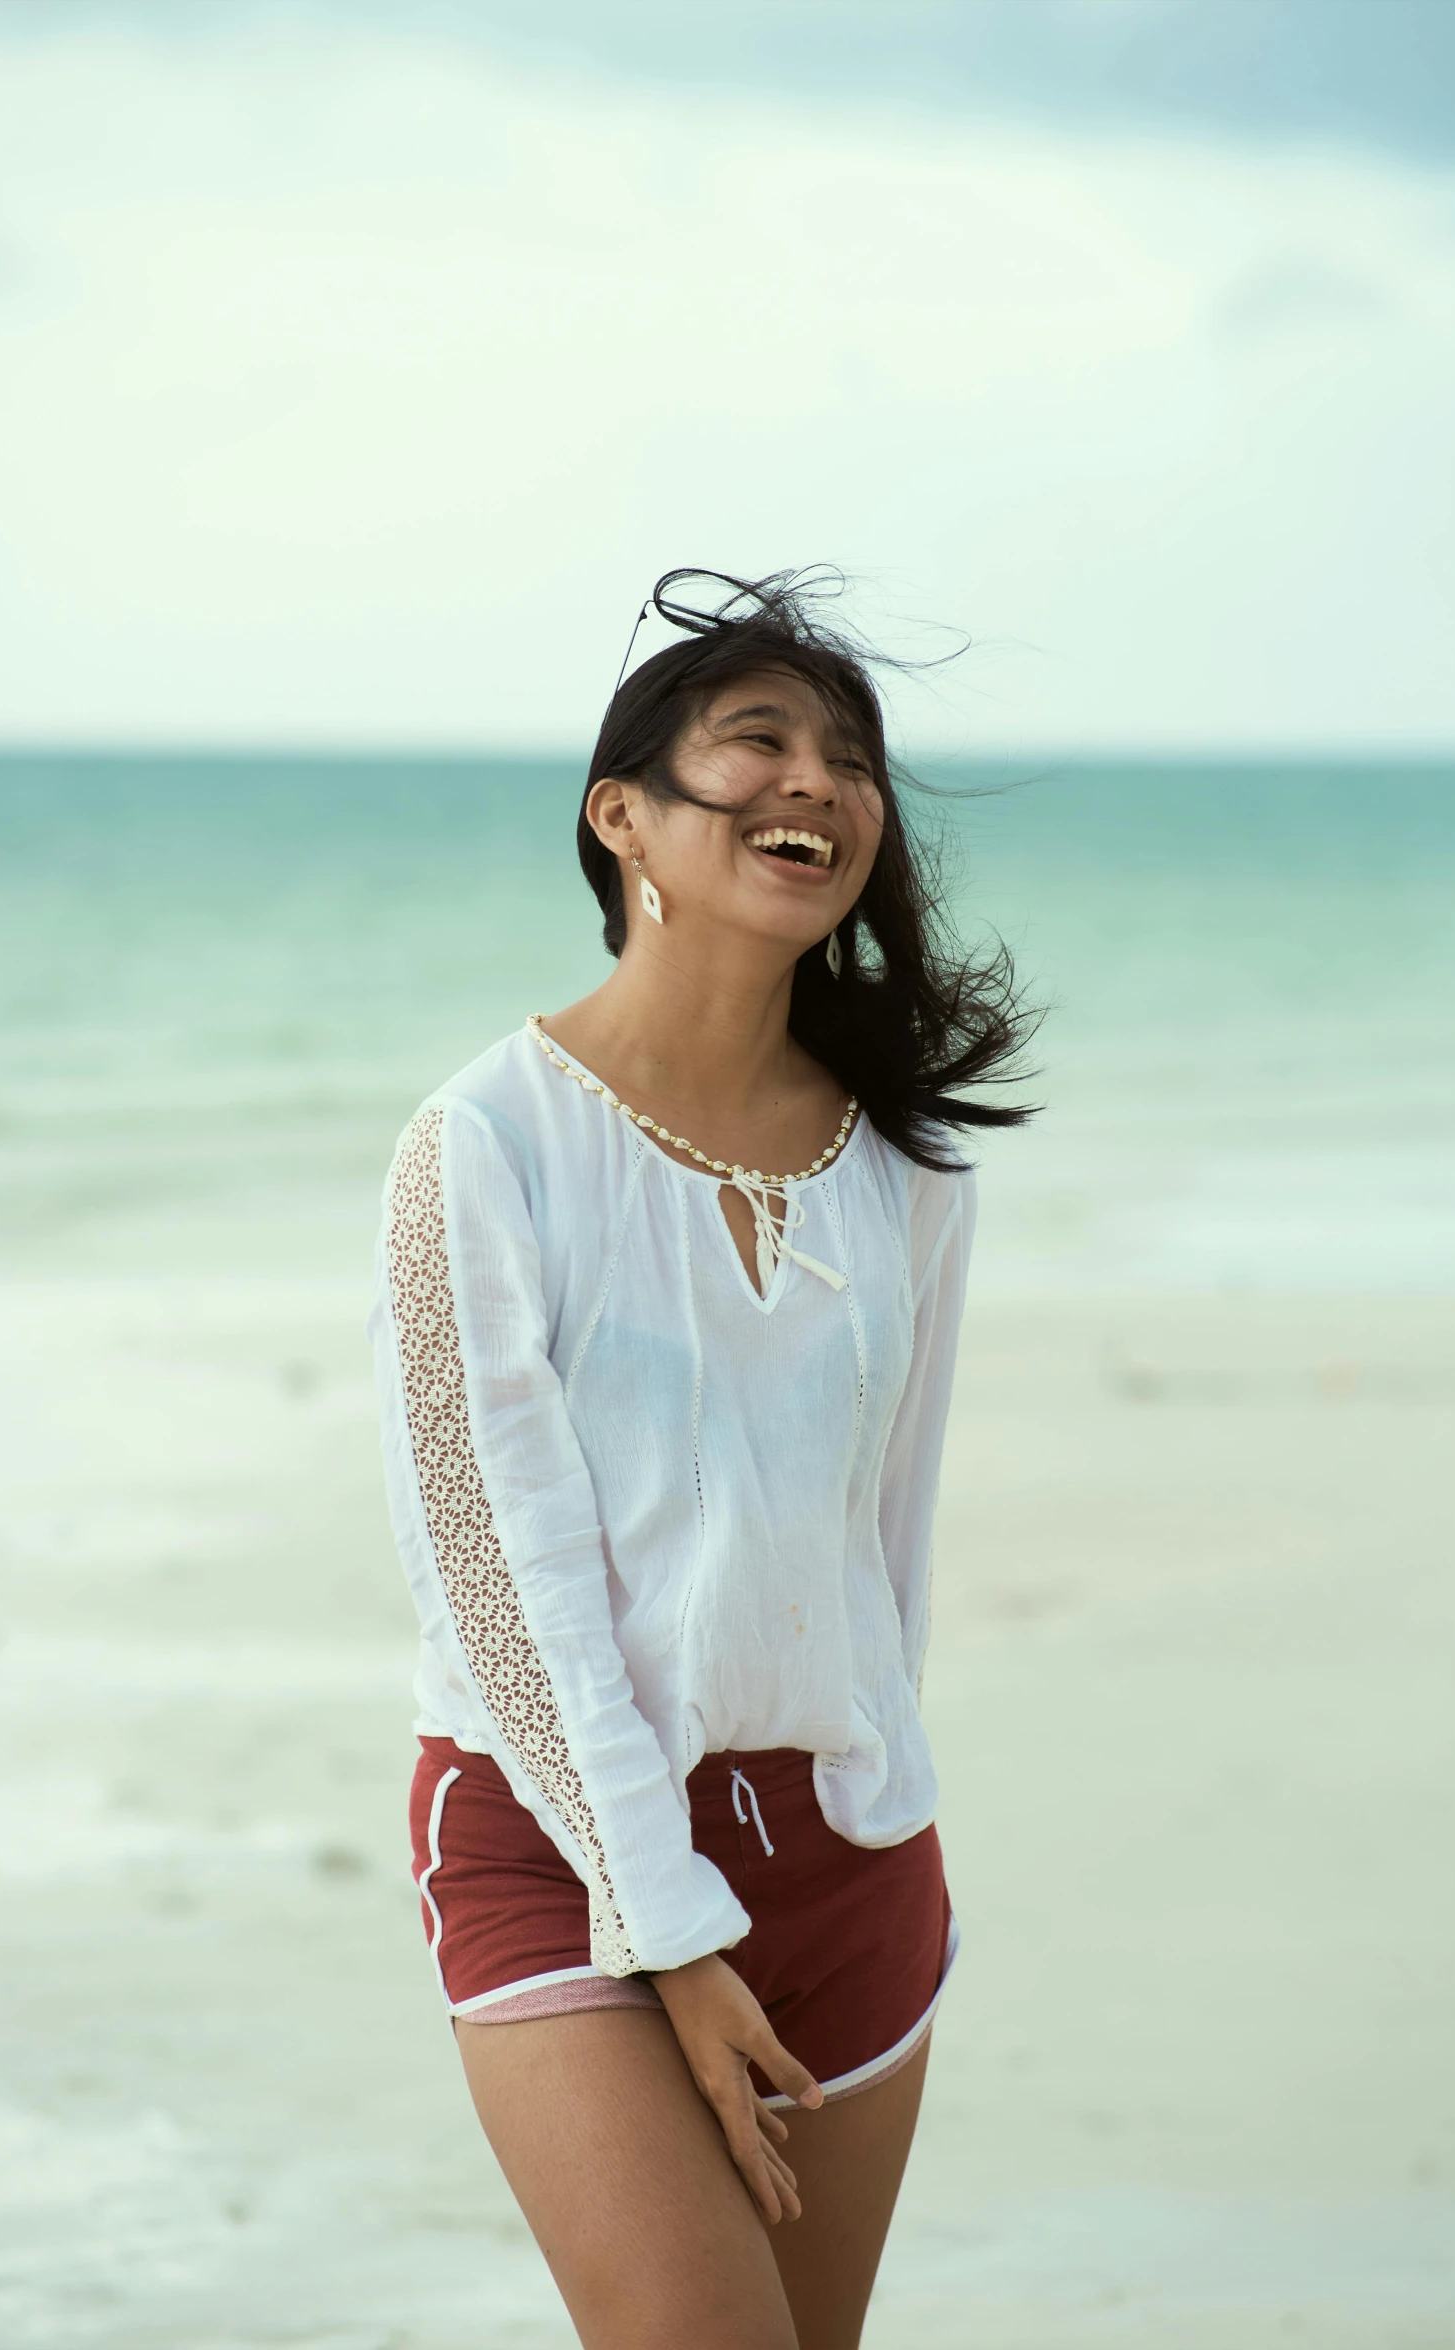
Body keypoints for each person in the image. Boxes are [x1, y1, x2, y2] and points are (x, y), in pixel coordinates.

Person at [369, 571, 1037, 2349]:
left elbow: (884, 1532)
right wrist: (660, 1918)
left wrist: (884, 1789)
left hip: (847, 1853)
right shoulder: (480, 1147)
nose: (814, 783)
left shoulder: (910, 1169)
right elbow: (499, 1588)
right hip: (556, 1839)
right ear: (623, 816)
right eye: (756, 743)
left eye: (846, 759)